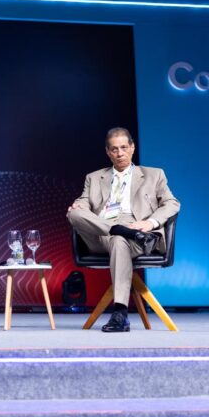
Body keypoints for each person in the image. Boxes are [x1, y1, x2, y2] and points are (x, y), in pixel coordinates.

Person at [67, 127, 180, 332]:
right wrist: (79, 206)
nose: (120, 153)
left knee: (119, 240)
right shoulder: (94, 177)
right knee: (73, 214)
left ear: (132, 148)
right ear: (108, 152)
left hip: (138, 232)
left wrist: (150, 223)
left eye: (124, 148)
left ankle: (120, 312)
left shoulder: (154, 175)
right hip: (102, 232)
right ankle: (120, 230)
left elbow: (172, 204)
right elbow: (83, 201)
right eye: (114, 149)